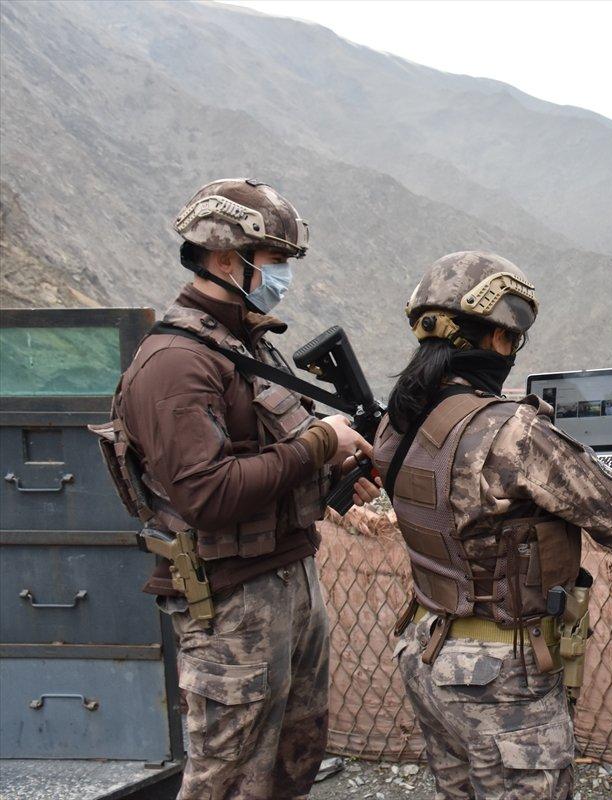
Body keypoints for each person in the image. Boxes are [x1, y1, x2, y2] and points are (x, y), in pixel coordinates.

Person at [103, 179, 376, 799]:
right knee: (227, 779)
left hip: (286, 577)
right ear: (227, 259)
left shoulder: (245, 345)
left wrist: (330, 470)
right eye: (276, 262)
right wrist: (320, 446)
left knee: (291, 760)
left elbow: (264, 454)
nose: (284, 277)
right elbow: (207, 494)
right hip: (230, 602)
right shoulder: (175, 362)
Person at [377, 250, 612, 799]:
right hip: (500, 676)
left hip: (426, 651)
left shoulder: (396, 422)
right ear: (498, 340)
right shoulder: (514, 432)